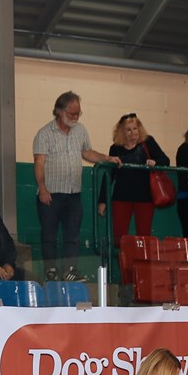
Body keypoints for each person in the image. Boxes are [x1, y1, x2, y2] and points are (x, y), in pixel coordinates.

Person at [32, 91, 121, 281]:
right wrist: (43, 188)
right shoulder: (44, 134)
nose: (76, 117)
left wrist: (107, 158)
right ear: (59, 111)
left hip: (74, 194)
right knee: (49, 235)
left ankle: (70, 270)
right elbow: (39, 163)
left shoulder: (80, 130)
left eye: (78, 113)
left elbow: (87, 153)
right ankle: (51, 270)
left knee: (72, 236)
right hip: (51, 193)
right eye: (72, 113)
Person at [96, 113, 170, 245]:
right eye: (128, 129)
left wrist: (155, 162)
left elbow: (166, 161)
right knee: (119, 236)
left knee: (144, 236)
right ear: (122, 132)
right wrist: (102, 200)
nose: (132, 132)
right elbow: (109, 175)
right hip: (121, 197)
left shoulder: (148, 142)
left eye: (135, 128)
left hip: (145, 197)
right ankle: (121, 264)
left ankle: (142, 265)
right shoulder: (115, 148)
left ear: (139, 129)